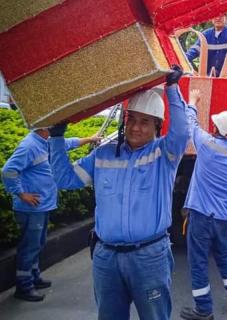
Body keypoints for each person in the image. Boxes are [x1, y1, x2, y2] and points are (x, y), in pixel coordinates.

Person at [48, 66, 190, 320]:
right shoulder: (102, 155)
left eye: (144, 121)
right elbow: (65, 179)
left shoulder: (164, 154)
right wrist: (56, 139)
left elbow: (181, 131)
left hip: (149, 257)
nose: (136, 127)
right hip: (106, 259)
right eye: (131, 119)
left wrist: (172, 88)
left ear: (157, 126)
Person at [1, 128, 100, 302]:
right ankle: (24, 286)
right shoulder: (29, 146)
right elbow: (8, 171)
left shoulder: (45, 142)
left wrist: (90, 139)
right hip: (31, 209)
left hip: (42, 206)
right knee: (29, 247)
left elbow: (67, 143)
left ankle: (34, 277)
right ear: (44, 125)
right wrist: (21, 193)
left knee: (37, 244)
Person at [180, 90, 227, 320]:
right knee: (224, 255)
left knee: (198, 262)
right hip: (222, 217)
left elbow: (190, 124)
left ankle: (204, 310)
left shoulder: (206, 145)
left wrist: (193, 101)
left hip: (201, 215)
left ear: (218, 129)